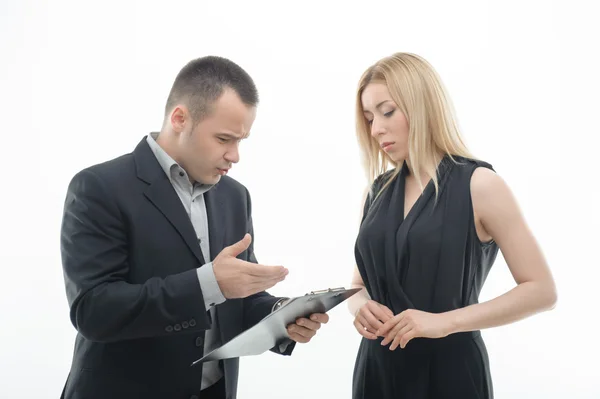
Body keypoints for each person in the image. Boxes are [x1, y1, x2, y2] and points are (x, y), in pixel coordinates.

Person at [59, 55, 329, 399]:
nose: (235, 155)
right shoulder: (98, 187)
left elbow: (239, 299)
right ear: (179, 119)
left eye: (241, 140)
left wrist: (280, 316)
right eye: (224, 139)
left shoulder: (235, 196)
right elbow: (94, 311)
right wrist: (209, 284)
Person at [347, 52, 557, 399]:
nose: (376, 129)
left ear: (422, 105)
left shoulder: (480, 184)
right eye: (369, 118)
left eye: (387, 111)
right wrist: (360, 307)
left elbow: (542, 291)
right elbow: (358, 285)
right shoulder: (377, 191)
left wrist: (444, 322)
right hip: (376, 372)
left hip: (450, 373)